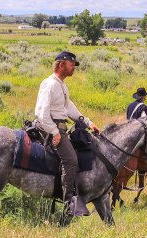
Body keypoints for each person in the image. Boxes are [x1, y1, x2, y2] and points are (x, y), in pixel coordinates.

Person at [35, 51, 100, 216]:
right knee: (71, 160)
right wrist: (55, 132)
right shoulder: (50, 84)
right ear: (61, 64)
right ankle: (69, 203)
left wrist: (88, 122)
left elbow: (69, 107)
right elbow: (42, 113)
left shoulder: (61, 85)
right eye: (72, 64)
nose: (74, 67)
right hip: (49, 126)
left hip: (57, 126)